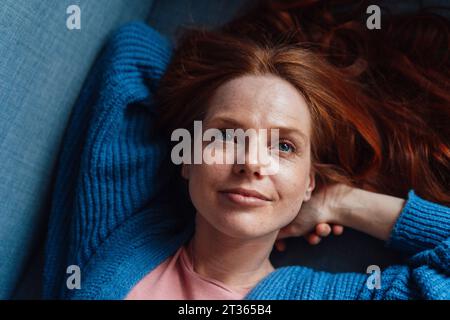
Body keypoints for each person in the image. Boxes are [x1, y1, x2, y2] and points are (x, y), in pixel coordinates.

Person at [43, 1, 449, 300]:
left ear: (309, 181)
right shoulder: (120, 232)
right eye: (226, 136)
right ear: (186, 156)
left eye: (285, 146)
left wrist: (343, 202)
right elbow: (135, 53)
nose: (252, 162)